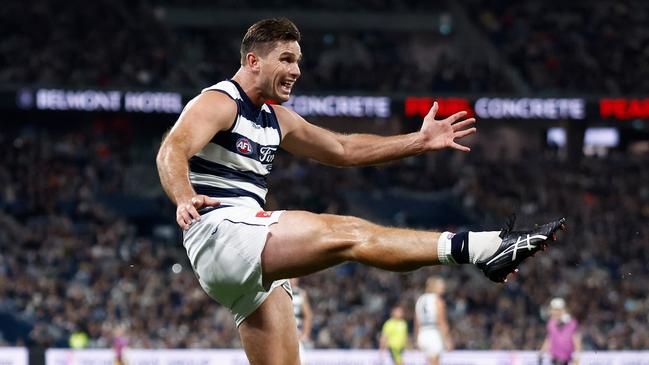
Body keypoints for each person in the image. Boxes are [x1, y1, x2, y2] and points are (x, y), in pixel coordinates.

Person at [156, 17, 566, 365]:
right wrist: (183, 196)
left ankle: (484, 251)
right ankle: (484, 248)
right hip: (222, 231)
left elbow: (343, 148)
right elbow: (172, 149)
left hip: (242, 255)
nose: (297, 69)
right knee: (350, 233)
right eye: (286, 58)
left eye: (298, 60)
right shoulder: (219, 101)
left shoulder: (277, 118)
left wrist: (418, 142)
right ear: (252, 61)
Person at [414, 277, 452, 365]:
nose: (443, 288)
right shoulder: (438, 300)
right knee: (435, 362)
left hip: (422, 333)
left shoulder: (420, 299)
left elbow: (417, 322)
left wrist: (416, 338)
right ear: (434, 287)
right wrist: (447, 339)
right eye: (441, 285)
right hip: (433, 333)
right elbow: (441, 321)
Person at [539, 298, 582, 365]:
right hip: (554, 359)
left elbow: (576, 341)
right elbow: (549, 339)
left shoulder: (572, 323)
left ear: (563, 310)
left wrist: (577, 357)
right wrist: (542, 352)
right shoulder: (551, 323)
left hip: (566, 360)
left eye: (556, 310)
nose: (553, 312)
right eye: (552, 309)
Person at [290, 278, 313, 363]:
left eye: (294, 277)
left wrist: (305, 334)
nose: (292, 280)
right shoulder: (280, 292)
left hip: (296, 334)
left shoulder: (300, 293)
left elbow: (308, 315)